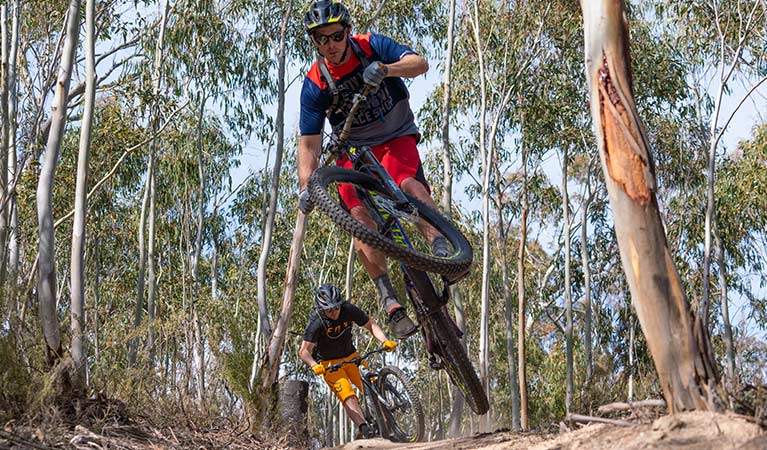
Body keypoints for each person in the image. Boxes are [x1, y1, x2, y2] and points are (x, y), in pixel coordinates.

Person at [297, 0, 451, 339]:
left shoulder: (371, 45)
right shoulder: (315, 84)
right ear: (314, 43)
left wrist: (386, 69)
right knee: (357, 217)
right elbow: (309, 145)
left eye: (336, 35)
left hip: (394, 135)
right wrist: (306, 186)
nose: (331, 45)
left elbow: (420, 63)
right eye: (322, 39)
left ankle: (441, 246)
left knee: (408, 183)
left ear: (348, 32)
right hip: (352, 151)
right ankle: (390, 300)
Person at [299, 284, 397, 439]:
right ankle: (364, 428)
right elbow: (304, 351)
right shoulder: (316, 321)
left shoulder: (348, 309)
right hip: (329, 364)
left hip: (352, 356)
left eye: (336, 307)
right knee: (347, 394)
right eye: (329, 310)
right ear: (321, 308)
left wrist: (384, 341)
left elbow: (370, 324)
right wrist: (314, 365)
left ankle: (387, 423)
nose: (334, 312)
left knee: (372, 385)